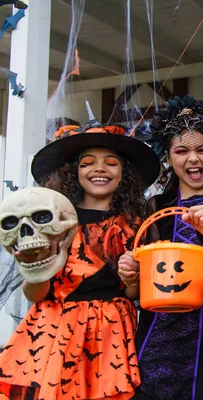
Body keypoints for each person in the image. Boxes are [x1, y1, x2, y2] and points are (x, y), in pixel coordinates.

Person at [0, 122, 161, 399]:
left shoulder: (135, 225)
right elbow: (35, 294)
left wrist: (131, 278)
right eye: (88, 163)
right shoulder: (52, 224)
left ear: (124, 174)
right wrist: (35, 267)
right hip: (54, 332)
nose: (99, 168)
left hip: (109, 333)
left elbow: (133, 294)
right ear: (74, 172)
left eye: (111, 163)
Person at [121, 96, 203, 399]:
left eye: (202, 150)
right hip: (163, 323)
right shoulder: (156, 206)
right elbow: (146, 279)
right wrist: (132, 275)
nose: (193, 159)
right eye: (181, 151)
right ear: (169, 157)